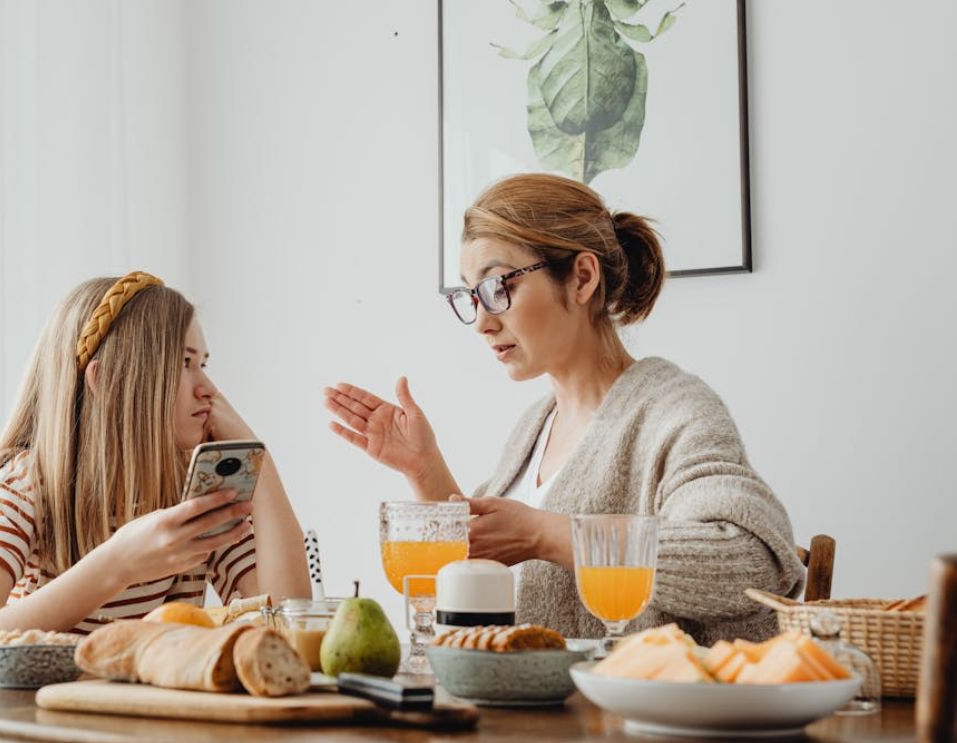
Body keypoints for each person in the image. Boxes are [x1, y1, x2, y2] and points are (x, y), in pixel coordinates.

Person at [324, 174, 803, 644]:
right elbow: (481, 576)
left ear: (582, 277)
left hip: (626, 715)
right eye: (472, 296)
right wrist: (425, 468)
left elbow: (752, 561)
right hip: (524, 714)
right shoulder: (535, 427)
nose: (483, 323)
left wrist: (546, 536)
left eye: (497, 287)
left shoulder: (673, 413)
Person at [0, 272, 310, 666]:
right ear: (108, 380)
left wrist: (257, 458)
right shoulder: (23, 487)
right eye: (184, 363)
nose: (208, 389)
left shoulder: (192, 491)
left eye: (203, 364)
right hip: (47, 722)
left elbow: (290, 630)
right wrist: (116, 565)